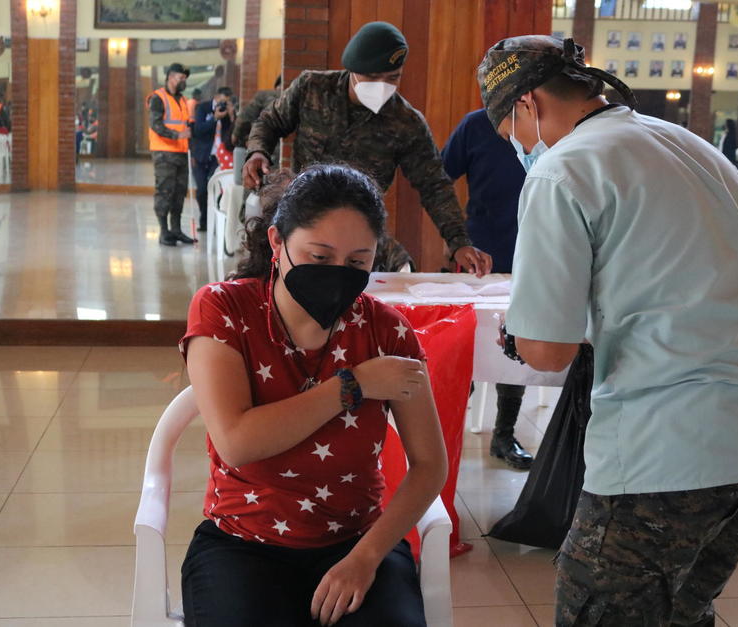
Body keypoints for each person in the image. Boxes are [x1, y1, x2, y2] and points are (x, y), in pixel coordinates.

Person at [477, 35, 738, 625]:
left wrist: (520, 329)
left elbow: (545, 352)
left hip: (667, 450)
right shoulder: (690, 145)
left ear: (525, 104)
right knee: (682, 612)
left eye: (511, 134)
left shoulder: (562, 170)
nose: (520, 148)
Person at [179, 164, 447, 626]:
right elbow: (237, 441)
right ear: (278, 242)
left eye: (358, 262)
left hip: (357, 541)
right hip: (243, 544)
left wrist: (365, 559)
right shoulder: (225, 307)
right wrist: (354, 385)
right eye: (320, 258)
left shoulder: (386, 330)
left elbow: (430, 464)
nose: (338, 275)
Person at [243, 21, 492, 277]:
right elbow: (269, 121)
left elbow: (434, 186)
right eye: (372, 77)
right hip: (303, 216)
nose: (382, 85)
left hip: (359, 226)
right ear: (353, 69)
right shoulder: (312, 88)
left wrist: (458, 242)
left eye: (392, 78)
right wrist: (258, 152)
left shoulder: (405, 121)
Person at [441, 109, 533, 470]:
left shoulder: (549, 124)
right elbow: (439, 177)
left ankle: (504, 434)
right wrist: (454, 239)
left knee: (517, 341)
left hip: (533, 250)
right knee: (467, 343)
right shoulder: (475, 125)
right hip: (479, 255)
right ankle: (446, 433)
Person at [147, 62, 196, 247]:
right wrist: (177, 135)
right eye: (181, 77)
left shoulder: (183, 100)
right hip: (164, 153)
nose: (184, 81)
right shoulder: (158, 98)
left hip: (181, 152)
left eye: (185, 78)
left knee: (179, 193)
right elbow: (155, 124)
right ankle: (164, 231)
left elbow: (185, 124)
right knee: (165, 192)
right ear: (170, 77)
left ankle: (176, 230)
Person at [191, 86, 235, 231]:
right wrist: (215, 118)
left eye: (226, 102)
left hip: (219, 158)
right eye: (221, 101)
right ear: (216, 97)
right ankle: (204, 220)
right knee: (202, 190)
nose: (222, 105)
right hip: (201, 155)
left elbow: (234, 136)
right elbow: (198, 130)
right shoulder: (202, 108)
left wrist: (232, 116)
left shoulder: (228, 114)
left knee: (217, 189)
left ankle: (216, 221)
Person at [233, 75, 282, 148]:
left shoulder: (264, 95)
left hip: (266, 145)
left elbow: (245, 117)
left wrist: (235, 135)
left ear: (276, 86)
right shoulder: (298, 97)